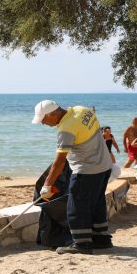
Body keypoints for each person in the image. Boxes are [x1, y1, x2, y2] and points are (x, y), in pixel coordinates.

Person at [32, 100, 113, 255]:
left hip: (86, 171)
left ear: (52, 114)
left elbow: (60, 161)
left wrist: (47, 186)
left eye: (43, 119)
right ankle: (102, 239)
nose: (43, 123)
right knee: (97, 203)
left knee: (76, 207)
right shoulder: (82, 110)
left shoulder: (65, 129)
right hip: (104, 166)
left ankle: (81, 244)